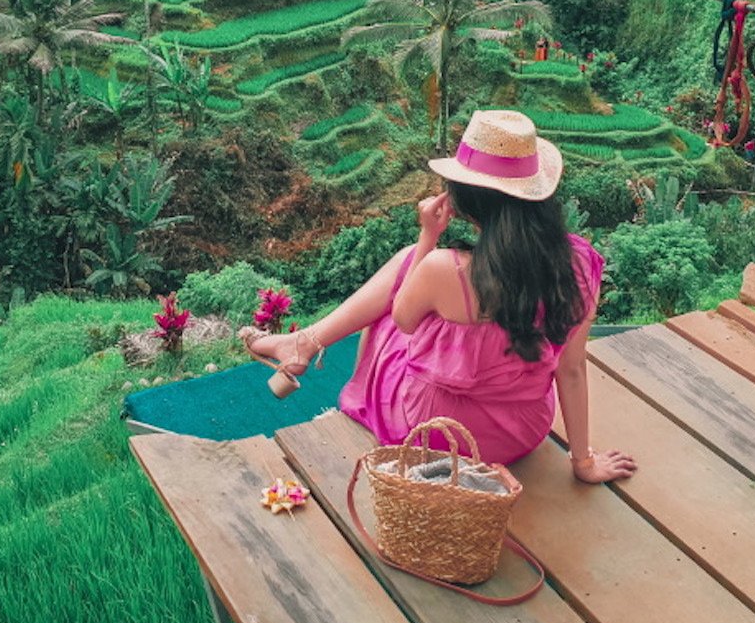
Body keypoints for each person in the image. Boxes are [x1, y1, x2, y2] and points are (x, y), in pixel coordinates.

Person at [240, 110, 637, 485]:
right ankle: (303, 342)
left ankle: (306, 345)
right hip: (521, 432)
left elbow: (402, 318)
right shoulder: (581, 263)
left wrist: (427, 236)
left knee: (395, 292)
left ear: (465, 198)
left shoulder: (447, 269)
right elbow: (571, 369)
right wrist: (583, 461)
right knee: (410, 270)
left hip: (440, 436)